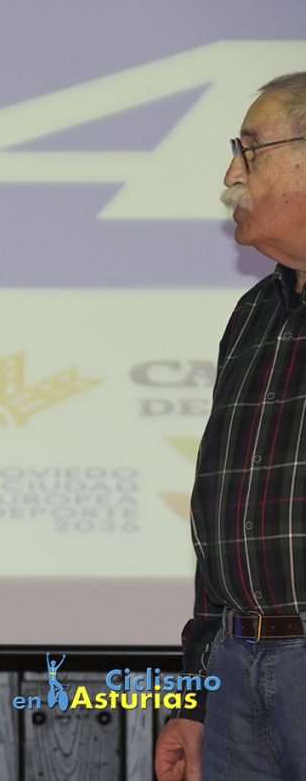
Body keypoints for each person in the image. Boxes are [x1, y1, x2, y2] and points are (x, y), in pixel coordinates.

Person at [155, 71, 306, 781]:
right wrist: (196, 695)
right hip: (238, 671)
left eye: (250, 150)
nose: (231, 174)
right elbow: (219, 525)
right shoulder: (252, 315)